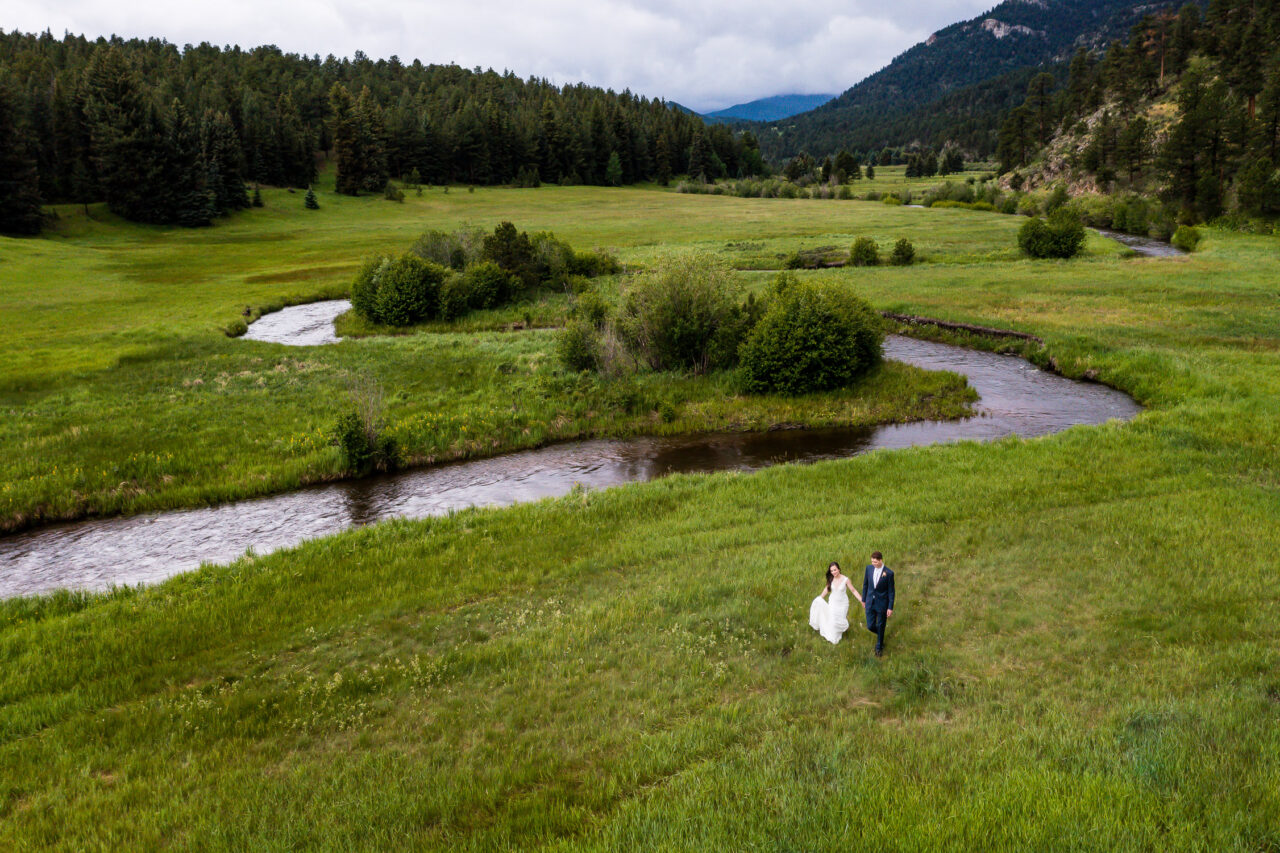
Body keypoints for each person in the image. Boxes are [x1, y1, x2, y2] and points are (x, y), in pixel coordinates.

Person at [809, 561, 856, 644]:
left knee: (840, 619)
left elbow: (853, 590)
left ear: (839, 569)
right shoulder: (831, 579)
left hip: (843, 603)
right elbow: (826, 589)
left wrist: (862, 600)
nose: (833, 572)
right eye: (832, 571)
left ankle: (838, 631)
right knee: (833, 619)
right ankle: (834, 635)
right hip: (833, 602)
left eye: (835, 570)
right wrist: (820, 598)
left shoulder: (846, 579)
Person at [861, 551, 895, 656]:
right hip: (870, 601)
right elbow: (865, 584)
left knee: (881, 624)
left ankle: (879, 647)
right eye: (872, 561)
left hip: (882, 604)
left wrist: (890, 607)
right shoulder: (869, 569)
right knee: (870, 625)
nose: (873, 564)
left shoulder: (889, 573)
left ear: (881, 560)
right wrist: (863, 599)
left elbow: (891, 592)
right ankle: (881, 634)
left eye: (875, 562)